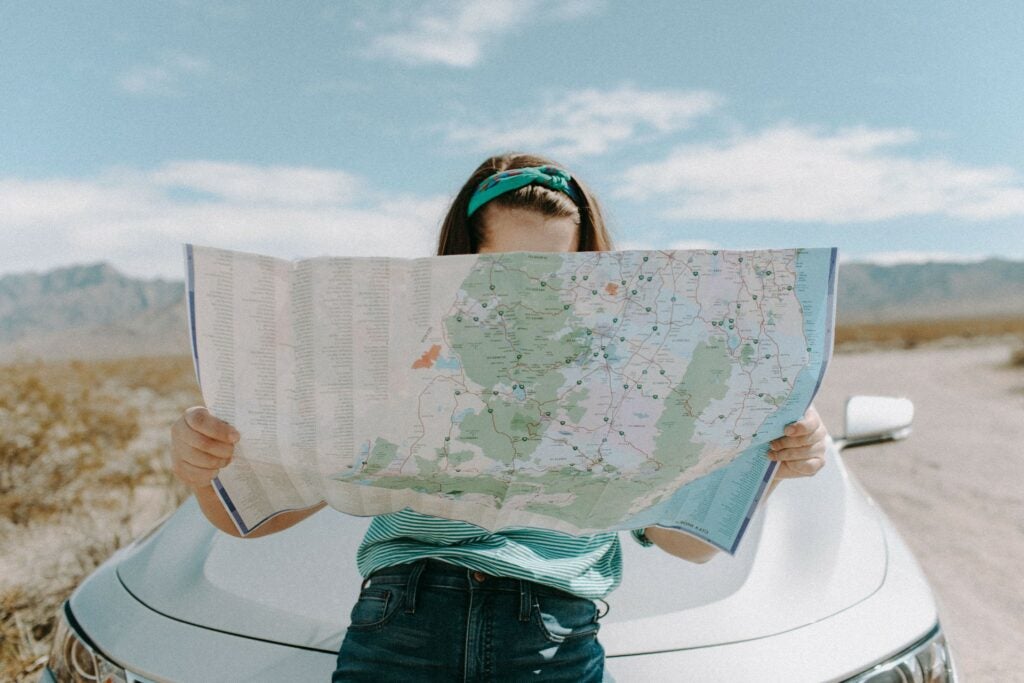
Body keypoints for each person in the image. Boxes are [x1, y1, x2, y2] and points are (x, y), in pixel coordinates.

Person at [170, 152, 830, 682]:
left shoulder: (632, 369)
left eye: (555, 272)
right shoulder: (398, 351)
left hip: (552, 638)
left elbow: (688, 543)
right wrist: (206, 468)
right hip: (402, 622)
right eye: (506, 269)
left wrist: (768, 464)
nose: (530, 291)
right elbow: (251, 517)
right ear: (462, 262)